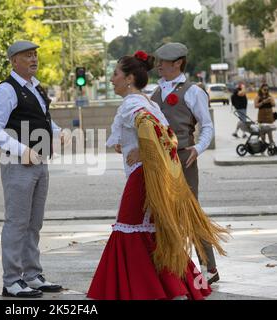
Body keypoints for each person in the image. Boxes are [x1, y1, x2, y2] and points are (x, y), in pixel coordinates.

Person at [87, 51, 228, 300]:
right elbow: (167, 134)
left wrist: (144, 151)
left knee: (128, 227)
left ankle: (138, 289)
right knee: (151, 231)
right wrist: (137, 146)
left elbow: (155, 131)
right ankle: (173, 286)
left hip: (143, 177)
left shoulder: (134, 103)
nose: (111, 79)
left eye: (115, 74)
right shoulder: (147, 101)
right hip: (150, 174)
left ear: (129, 78)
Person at [128, 42, 220, 285]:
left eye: (163, 62)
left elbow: (207, 125)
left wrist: (198, 148)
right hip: (156, 160)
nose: (158, 65)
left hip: (182, 157)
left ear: (178, 63)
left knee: (189, 213)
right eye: (158, 61)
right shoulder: (154, 92)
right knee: (162, 214)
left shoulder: (193, 91)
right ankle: (173, 266)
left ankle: (209, 267)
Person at [0, 40, 63, 298]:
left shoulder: (35, 87)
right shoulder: (7, 90)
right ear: (14, 61)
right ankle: (12, 280)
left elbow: (41, 119)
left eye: (34, 55)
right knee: (17, 222)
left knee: (34, 222)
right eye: (27, 56)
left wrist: (59, 133)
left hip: (40, 161)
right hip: (18, 162)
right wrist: (22, 150)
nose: (33, 59)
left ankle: (32, 275)